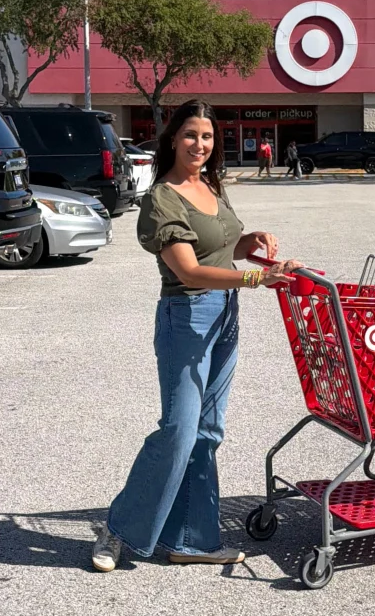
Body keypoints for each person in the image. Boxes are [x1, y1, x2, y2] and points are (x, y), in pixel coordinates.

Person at [92, 99, 294, 572]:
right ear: (171, 139)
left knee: (207, 431)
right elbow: (188, 268)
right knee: (180, 431)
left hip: (225, 315)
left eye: (206, 137)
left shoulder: (209, 185)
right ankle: (118, 529)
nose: (199, 145)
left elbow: (220, 247)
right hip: (187, 315)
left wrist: (252, 242)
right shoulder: (162, 197)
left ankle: (190, 540)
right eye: (189, 135)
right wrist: (256, 279)